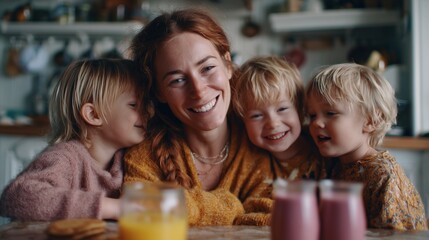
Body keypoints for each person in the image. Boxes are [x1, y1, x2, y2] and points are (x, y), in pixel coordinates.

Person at [125, 8, 274, 226]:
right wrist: (231, 208)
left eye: (208, 68)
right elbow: (139, 212)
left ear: (228, 64)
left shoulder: (265, 139)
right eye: (177, 80)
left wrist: (180, 208)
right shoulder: (144, 155)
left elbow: (272, 219)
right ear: (159, 92)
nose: (199, 91)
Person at [0, 59, 149, 221]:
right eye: (134, 105)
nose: (149, 112)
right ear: (93, 115)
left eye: (147, 104)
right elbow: (18, 197)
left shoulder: (131, 158)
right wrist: (113, 207)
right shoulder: (65, 157)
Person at [305, 63, 427, 230]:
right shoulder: (333, 164)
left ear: (371, 121)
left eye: (331, 113)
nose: (316, 123)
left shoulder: (383, 176)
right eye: (312, 115)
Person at [232, 55, 326, 182]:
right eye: (256, 116)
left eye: (282, 109)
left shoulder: (324, 149)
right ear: (243, 122)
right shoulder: (247, 165)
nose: (273, 124)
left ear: (299, 109)